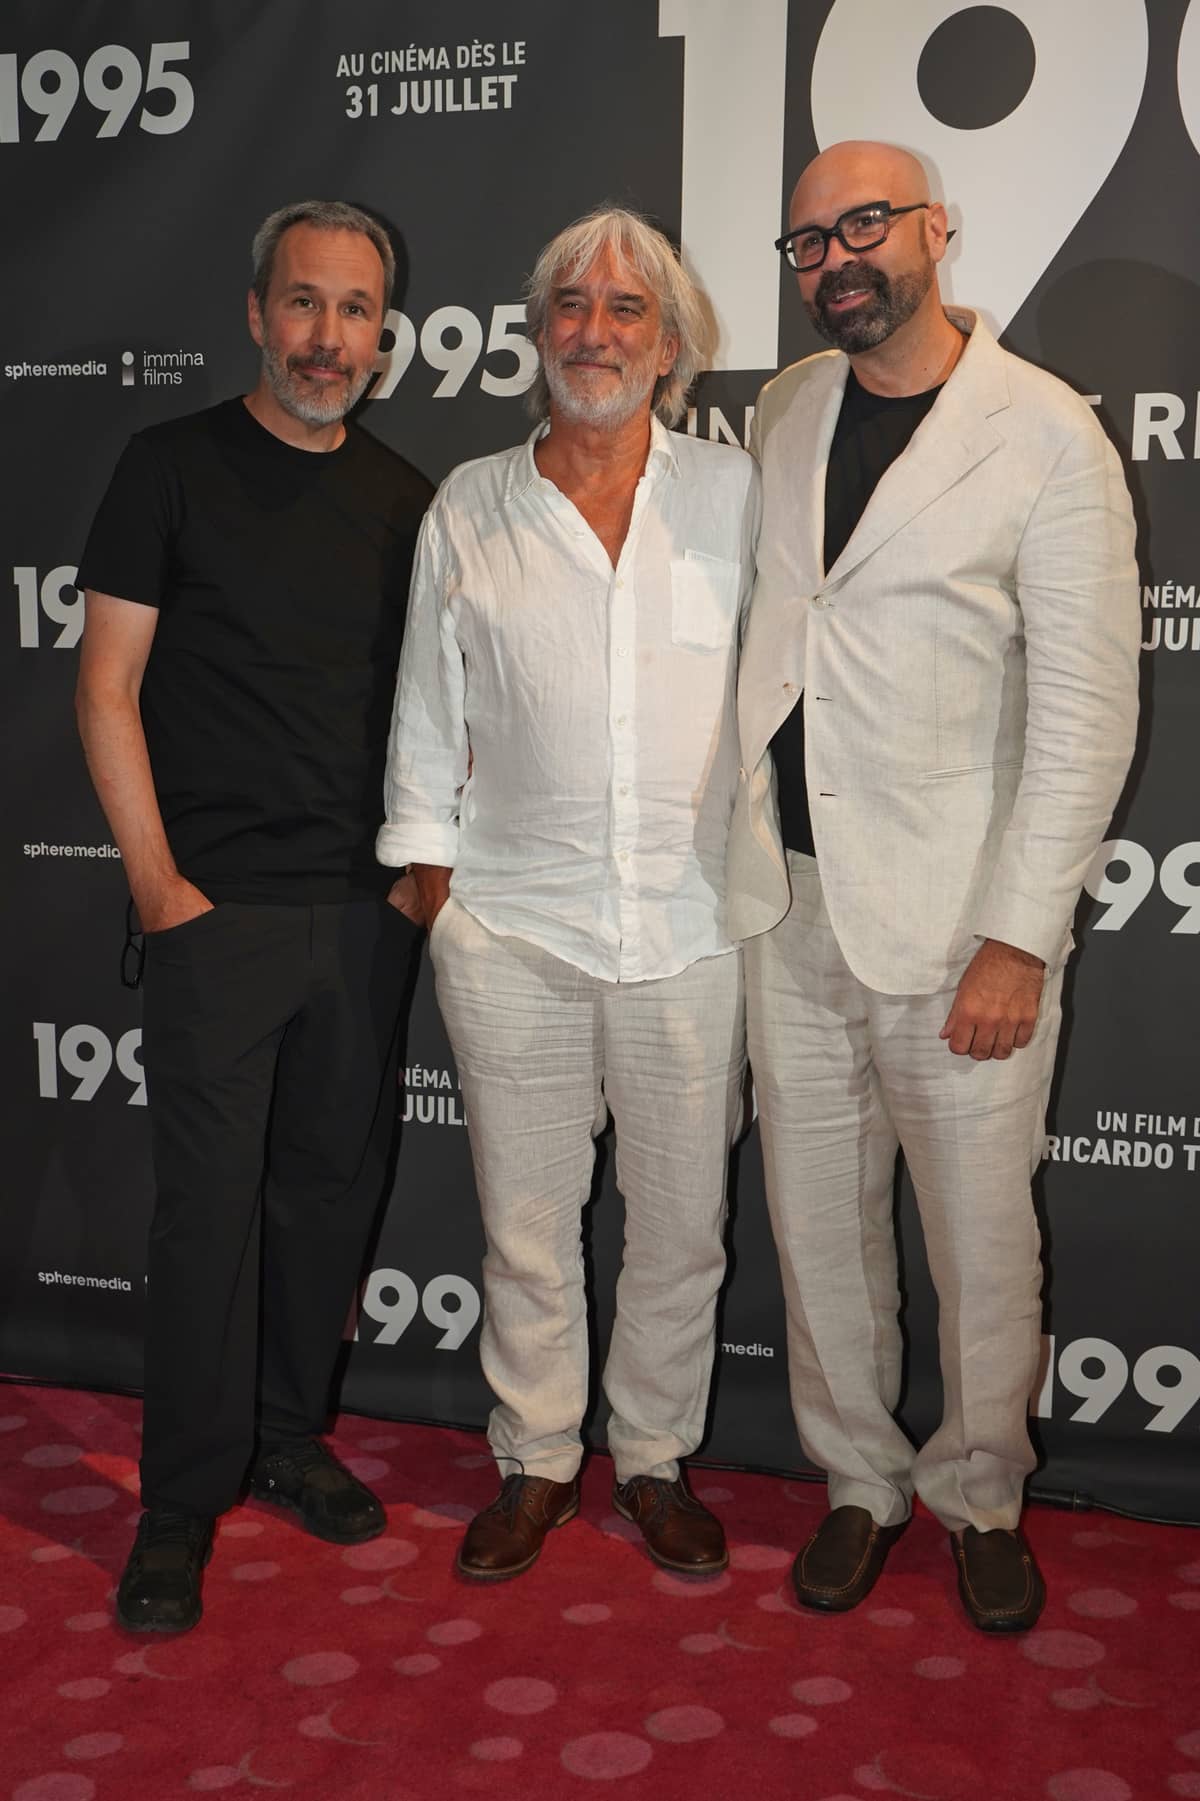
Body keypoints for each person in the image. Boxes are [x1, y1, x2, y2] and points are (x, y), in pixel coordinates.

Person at [728, 141, 1139, 1631]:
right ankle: (857, 1481)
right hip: (788, 902)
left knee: (980, 1240)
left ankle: (980, 1491)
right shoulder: (785, 411)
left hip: (965, 919)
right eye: (807, 243)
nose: (837, 258)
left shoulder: (1045, 436)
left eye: (865, 225)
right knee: (817, 1224)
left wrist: (1022, 937)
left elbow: (1090, 714)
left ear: (936, 229)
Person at [378, 206, 758, 1582]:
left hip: (693, 928)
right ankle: (536, 1456)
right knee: (525, 1223)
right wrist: (435, 885)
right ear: (537, 332)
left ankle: (653, 1456)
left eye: (627, 309)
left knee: (681, 1225)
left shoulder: (735, 497)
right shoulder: (469, 504)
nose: (595, 331)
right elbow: (428, 708)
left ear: (673, 343)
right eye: (571, 306)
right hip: (513, 931)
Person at [75, 199, 433, 1633]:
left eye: (354, 312)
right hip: (213, 914)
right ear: (255, 314)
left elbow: (440, 705)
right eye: (304, 304)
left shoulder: (410, 501)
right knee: (207, 1217)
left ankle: (288, 1437)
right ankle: (178, 1499)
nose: (326, 336)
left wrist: (420, 879)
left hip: (361, 919)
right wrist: (160, 886)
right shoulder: (164, 469)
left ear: (384, 337)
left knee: (327, 1197)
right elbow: (104, 688)